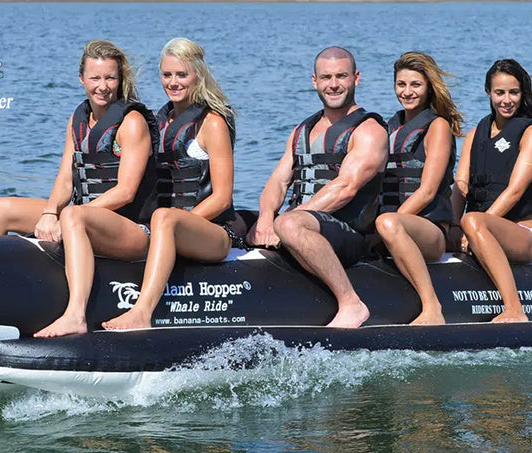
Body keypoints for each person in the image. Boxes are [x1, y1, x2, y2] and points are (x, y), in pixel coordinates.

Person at [0, 40, 158, 337]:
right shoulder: (77, 120)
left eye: (110, 78)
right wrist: (50, 213)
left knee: (73, 215)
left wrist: (70, 216)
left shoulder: (132, 122)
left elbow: (126, 191)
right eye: (95, 78)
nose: (102, 86)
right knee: (2, 209)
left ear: (120, 79)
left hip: (133, 230)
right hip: (86, 217)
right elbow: (65, 179)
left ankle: (76, 316)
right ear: (81, 79)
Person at [90, 38, 244, 332]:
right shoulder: (158, 121)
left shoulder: (212, 123)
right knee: (154, 217)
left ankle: (142, 312)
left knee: (163, 217)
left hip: (214, 232)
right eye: (166, 74)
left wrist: (175, 227)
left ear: (198, 75)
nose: (173, 82)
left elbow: (223, 198)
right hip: (167, 228)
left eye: (181, 75)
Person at [248, 46, 388, 328]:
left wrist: (285, 222)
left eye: (341, 76)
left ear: (356, 78)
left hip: (348, 233)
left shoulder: (369, 130)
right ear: (315, 81)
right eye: (326, 77)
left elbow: (345, 188)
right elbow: (278, 181)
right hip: (304, 224)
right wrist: (265, 218)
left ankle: (351, 303)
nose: (333, 84)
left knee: (288, 224)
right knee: (242, 220)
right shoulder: (302, 131)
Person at [373, 52, 463, 325]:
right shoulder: (389, 127)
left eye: (415, 85)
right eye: (401, 84)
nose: (407, 92)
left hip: (429, 230)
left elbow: (427, 191)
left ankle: (432, 306)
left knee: (387, 223)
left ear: (429, 87)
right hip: (391, 224)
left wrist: (387, 225)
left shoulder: (437, 126)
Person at [456, 59, 532, 323]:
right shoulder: (475, 134)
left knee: (472, 220)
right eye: (500, 92)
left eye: (513, 92)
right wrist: (450, 226)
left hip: (521, 233)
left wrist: (474, 226)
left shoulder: (531, 132)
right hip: (477, 228)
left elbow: (516, 190)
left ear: (523, 93)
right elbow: (460, 187)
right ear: (488, 92)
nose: (506, 100)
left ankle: (514, 308)